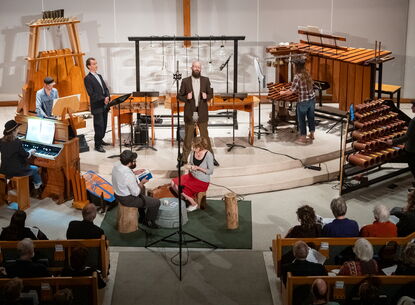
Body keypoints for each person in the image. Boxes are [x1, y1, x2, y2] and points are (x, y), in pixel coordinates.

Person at [177, 61, 219, 167]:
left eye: (198, 67)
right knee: (188, 137)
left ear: (201, 69)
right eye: (195, 67)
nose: (197, 68)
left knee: (205, 136)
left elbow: (211, 94)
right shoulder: (185, 81)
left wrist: (207, 96)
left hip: (202, 112)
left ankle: (211, 158)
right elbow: (179, 96)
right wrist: (187, 97)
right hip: (190, 112)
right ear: (191, 68)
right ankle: (184, 159)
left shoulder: (206, 80)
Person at [111, 150, 160, 229]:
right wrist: (142, 183)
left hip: (117, 194)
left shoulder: (117, 165)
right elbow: (136, 193)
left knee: (142, 190)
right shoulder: (128, 175)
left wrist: (134, 172)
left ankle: (142, 216)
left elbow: (123, 174)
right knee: (156, 202)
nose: (135, 162)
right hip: (127, 199)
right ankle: (149, 221)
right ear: (129, 163)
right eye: (134, 161)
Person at [171, 137, 214, 212]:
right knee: (172, 183)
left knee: (178, 186)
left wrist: (198, 168)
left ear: (200, 147)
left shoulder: (208, 154)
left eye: (195, 147)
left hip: (201, 180)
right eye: (193, 146)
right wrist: (188, 166)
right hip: (191, 176)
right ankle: (185, 199)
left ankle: (194, 204)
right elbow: (190, 164)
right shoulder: (193, 152)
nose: (193, 148)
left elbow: (210, 171)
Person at [280, 58, 316, 145]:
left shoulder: (297, 76)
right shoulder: (307, 74)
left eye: (293, 65)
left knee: (302, 119)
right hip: (312, 100)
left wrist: (283, 92)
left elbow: (292, 91)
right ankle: (312, 134)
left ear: (296, 66)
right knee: (311, 117)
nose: (293, 66)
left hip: (303, 101)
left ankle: (303, 138)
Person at [0, 119, 42, 189]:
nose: (18, 130)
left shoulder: (1, 141)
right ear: (14, 131)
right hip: (16, 170)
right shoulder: (17, 141)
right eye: (18, 129)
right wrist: (30, 152)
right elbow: (25, 155)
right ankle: (37, 184)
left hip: (4, 169)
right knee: (35, 168)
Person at [84, 57, 110, 153]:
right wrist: (103, 99)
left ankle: (101, 139)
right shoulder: (87, 78)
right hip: (97, 106)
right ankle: (97, 145)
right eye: (94, 64)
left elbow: (105, 88)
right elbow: (92, 93)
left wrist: (107, 96)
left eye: (96, 63)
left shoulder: (99, 76)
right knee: (99, 125)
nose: (96, 65)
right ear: (89, 66)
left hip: (104, 105)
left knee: (104, 125)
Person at [387, 100, 415, 185]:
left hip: (412, 149)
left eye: (413, 106)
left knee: (413, 167)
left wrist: (393, 141)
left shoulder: (413, 121)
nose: (411, 108)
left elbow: (407, 137)